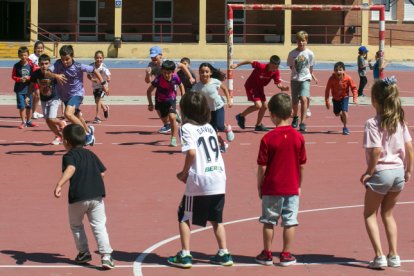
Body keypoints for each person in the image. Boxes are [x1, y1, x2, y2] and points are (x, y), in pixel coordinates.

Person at [168, 92, 233, 268]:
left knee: (184, 215)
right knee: (216, 218)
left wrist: (183, 173)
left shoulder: (187, 128)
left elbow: (191, 152)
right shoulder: (210, 127)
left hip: (200, 179)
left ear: (185, 111)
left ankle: (186, 254)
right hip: (219, 178)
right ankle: (224, 253)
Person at [360, 76, 413, 269]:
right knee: (388, 214)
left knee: (369, 214)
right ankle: (394, 255)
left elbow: (375, 150)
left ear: (376, 100)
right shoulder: (400, 121)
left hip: (382, 172)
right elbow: (410, 148)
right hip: (398, 172)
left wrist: (368, 172)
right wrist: (408, 170)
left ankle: (379, 255)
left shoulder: (373, 123)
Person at [255, 93, 307, 267]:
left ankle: (267, 253)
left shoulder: (268, 138)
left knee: (268, 221)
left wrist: (259, 185)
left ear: (273, 114)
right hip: (291, 187)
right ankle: (286, 253)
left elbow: (262, 167)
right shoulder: (298, 137)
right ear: (290, 113)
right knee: (289, 221)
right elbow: (302, 165)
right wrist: (299, 184)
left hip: (272, 187)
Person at [54, 124, 115, 270]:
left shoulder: (69, 156)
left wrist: (59, 184)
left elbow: (71, 168)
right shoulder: (92, 154)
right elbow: (102, 173)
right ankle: (106, 256)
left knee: (76, 225)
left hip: (78, 196)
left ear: (66, 142)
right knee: (99, 225)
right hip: (96, 195)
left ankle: (84, 252)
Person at [47, 45, 108, 146]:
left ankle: (88, 136)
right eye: (63, 59)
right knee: (77, 116)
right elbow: (47, 73)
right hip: (65, 96)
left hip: (77, 94)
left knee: (68, 114)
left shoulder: (79, 66)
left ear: (72, 56)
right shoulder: (58, 64)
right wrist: (56, 75)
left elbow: (94, 70)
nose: (65, 62)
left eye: (67, 59)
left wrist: (103, 84)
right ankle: (89, 130)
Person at [231, 55, 289, 131]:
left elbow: (278, 83)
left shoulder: (275, 72)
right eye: (273, 66)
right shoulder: (261, 66)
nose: (275, 69)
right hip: (251, 86)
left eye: (277, 67)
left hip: (260, 88)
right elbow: (250, 61)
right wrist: (237, 65)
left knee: (264, 107)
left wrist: (282, 88)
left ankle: (258, 125)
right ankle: (241, 116)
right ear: (269, 63)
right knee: (258, 105)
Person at [144, 46, 194, 133]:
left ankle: (172, 119)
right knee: (158, 108)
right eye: (151, 57)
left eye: (155, 56)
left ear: (160, 55)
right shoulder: (151, 65)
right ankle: (167, 123)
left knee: (169, 103)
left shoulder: (168, 63)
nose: (153, 58)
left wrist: (190, 77)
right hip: (160, 86)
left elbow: (182, 66)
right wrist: (148, 74)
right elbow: (147, 81)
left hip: (171, 86)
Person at [191, 62, 234, 152]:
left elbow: (225, 88)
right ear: (199, 73)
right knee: (212, 131)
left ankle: (227, 128)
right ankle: (223, 144)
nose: (204, 74)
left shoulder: (215, 81)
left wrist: (229, 99)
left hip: (218, 107)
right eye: (202, 72)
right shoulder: (197, 86)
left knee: (220, 126)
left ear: (210, 73)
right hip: (207, 111)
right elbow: (190, 95)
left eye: (207, 72)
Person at [29, 54, 67, 145]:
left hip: (54, 98)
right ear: (38, 64)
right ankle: (58, 136)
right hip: (43, 99)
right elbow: (31, 85)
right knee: (47, 120)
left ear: (49, 64)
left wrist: (57, 77)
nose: (44, 66)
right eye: (42, 64)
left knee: (52, 118)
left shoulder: (52, 73)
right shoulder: (36, 74)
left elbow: (50, 74)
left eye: (46, 63)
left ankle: (62, 123)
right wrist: (28, 96)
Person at [147, 60, 184, 147]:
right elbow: (149, 91)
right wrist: (150, 104)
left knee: (172, 118)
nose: (167, 75)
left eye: (169, 73)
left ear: (173, 72)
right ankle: (176, 114)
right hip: (160, 101)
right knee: (165, 121)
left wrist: (183, 96)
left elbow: (181, 85)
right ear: (162, 71)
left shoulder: (175, 77)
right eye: (164, 72)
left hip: (171, 99)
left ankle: (173, 139)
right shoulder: (158, 79)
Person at [287, 30, 316, 132]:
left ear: (306, 41)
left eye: (303, 40)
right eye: (299, 40)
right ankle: (295, 117)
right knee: (295, 102)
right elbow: (291, 66)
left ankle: (302, 122)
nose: (301, 43)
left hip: (305, 79)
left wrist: (308, 76)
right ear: (296, 41)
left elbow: (311, 67)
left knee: (304, 99)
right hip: (295, 79)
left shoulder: (310, 54)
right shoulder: (292, 53)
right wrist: (297, 74)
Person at [324, 62, 358, 135]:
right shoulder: (331, 79)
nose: (338, 72)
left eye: (340, 70)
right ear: (334, 71)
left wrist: (355, 98)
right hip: (335, 98)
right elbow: (327, 90)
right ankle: (340, 115)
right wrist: (327, 101)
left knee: (344, 112)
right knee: (336, 114)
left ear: (344, 70)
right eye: (336, 70)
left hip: (344, 97)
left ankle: (345, 127)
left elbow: (354, 88)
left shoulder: (348, 78)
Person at [11, 46, 38, 129]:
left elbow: (34, 76)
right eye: (21, 55)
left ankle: (29, 121)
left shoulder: (31, 65)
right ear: (19, 56)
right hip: (19, 89)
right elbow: (13, 76)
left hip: (29, 89)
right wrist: (19, 79)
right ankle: (23, 122)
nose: (23, 57)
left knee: (29, 106)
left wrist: (29, 78)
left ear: (28, 55)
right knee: (22, 106)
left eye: (25, 55)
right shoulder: (16, 66)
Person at [87, 50, 111, 124]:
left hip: (103, 86)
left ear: (103, 58)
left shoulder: (103, 67)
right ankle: (105, 108)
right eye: (97, 58)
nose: (99, 59)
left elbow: (108, 75)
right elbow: (88, 75)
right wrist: (92, 79)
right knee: (97, 101)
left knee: (98, 100)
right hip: (95, 86)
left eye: (100, 58)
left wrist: (108, 79)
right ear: (94, 58)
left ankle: (97, 117)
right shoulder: (91, 66)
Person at [29, 40, 45, 119]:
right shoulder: (31, 57)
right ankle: (33, 112)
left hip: (39, 79)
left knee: (38, 96)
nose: (40, 50)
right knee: (36, 95)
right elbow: (29, 66)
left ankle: (35, 112)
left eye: (41, 48)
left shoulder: (42, 57)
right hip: (33, 79)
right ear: (35, 48)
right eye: (38, 48)